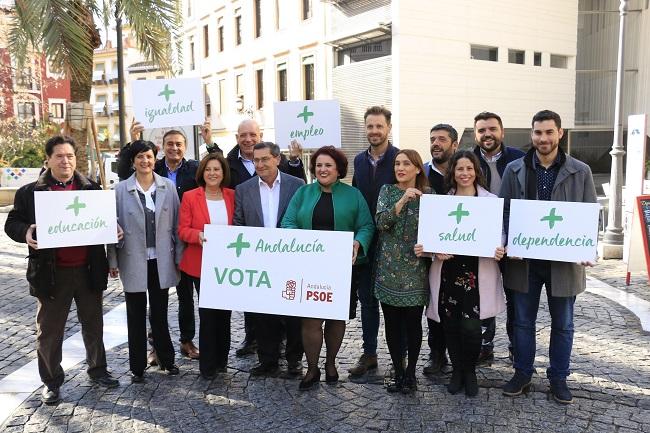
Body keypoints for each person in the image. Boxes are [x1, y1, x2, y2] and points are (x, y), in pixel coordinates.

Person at [5, 135, 119, 405]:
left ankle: (98, 370)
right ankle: (51, 381)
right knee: (49, 331)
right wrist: (26, 231)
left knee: (93, 324)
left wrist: (112, 228)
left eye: (69, 156)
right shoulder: (30, 192)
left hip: (88, 269)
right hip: (51, 273)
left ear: (75, 160)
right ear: (48, 160)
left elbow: (104, 221)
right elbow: (12, 223)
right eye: (59, 156)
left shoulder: (91, 189)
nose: (65, 161)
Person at [500, 110, 597, 404]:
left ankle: (558, 378)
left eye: (549, 132)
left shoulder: (581, 171)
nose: (543, 138)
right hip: (524, 261)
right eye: (538, 133)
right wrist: (507, 242)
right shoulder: (515, 169)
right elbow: (504, 212)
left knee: (564, 323)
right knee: (523, 322)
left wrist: (586, 247)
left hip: (564, 262)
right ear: (531, 135)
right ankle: (523, 373)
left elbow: (588, 215)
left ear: (560, 133)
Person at [118, 120, 220, 362]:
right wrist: (132, 140)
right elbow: (126, 169)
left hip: (185, 242)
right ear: (162, 148)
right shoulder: (155, 168)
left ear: (185, 147)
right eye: (170, 144)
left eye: (179, 144)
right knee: (156, 303)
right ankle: (155, 347)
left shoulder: (195, 169)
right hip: (153, 247)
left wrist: (210, 142)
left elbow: (218, 170)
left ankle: (186, 340)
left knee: (186, 298)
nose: (174, 148)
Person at [282, 146, 374, 390]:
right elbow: (288, 222)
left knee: (335, 318)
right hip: (308, 266)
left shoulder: (353, 195)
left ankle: (331, 363)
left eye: (328, 165)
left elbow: (366, 226)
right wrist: (302, 240)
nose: (322, 169)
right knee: (311, 320)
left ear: (338, 170)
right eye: (319, 165)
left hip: (342, 268)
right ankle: (312, 368)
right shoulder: (303, 192)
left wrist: (358, 242)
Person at [417, 150, 506, 397]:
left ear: (475, 171)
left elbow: (499, 232)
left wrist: (499, 246)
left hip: (477, 273)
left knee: (471, 327)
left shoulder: (489, 201)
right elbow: (431, 239)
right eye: (459, 169)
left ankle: (470, 371)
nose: (464, 173)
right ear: (452, 173)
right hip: (449, 272)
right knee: (451, 326)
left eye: (468, 168)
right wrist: (434, 251)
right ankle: (457, 371)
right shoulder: (444, 202)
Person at [226, 119, 306, 357]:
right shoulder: (244, 189)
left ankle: (294, 360)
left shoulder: (297, 185)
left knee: (292, 312)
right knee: (262, 314)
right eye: (256, 160)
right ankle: (267, 359)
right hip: (258, 259)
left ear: (277, 159)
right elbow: (238, 224)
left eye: (265, 160)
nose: (260, 164)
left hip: (289, 258)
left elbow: (303, 220)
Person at [108, 140, 184, 383]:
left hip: (161, 260)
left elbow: (176, 225)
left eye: (149, 157)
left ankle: (167, 359)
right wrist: (112, 261)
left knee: (160, 313)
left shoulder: (168, 187)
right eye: (140, 157)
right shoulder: (120, 190)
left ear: (155, 159)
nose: (145, 161)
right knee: (135, 314)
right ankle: (137, 366)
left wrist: (179, 257)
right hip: (133, 259)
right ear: (133, 161)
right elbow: (111, 228)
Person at [374, 150, 431, 394]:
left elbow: (438, 232)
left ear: (418, 168)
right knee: (392, 324)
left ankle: (411, 373)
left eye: (406, 164)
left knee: (413, 324)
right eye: (397, 163)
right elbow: (381, 223)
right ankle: (398, 371)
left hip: (415, 271)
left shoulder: (430, 196)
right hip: (388, 269)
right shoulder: (387, 191)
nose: (401, 168)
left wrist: (429, 248)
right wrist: (402, 201)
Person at [349, 105, 399, 377]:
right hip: (366, 241)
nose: (374, 131)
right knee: (367, 301)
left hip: (393, 242)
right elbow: (357, 197)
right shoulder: (358, 160)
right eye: (370, 126)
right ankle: (369, 354)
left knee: (394, 303)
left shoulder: (399, 158)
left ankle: (399, 357)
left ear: (388, 128)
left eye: (379, 126)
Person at [472, 111, 525, 365]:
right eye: (481, 130)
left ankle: (517, 347)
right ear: (475, 135)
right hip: (481, 241)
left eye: (492, 129)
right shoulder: (469, 160)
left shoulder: (520, 159)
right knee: (484, 292)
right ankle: (485, 344)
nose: (487, 134)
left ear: (502, 132)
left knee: (516, 296)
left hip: (514, 239)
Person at [178, 153, 235, 380]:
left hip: (229, 265)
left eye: (217, 169)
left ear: (223, 173)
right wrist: (198, 235)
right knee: (209, 314)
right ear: (202, 172)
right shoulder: (191, 197)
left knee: (225, 314)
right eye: (209, 169)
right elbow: (182, 230)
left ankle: (222, 360)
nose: (213, 173)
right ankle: (208, 365)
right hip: (201, 264)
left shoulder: (232, 196)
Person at [421, 123, 459, 375]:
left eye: (442, 139)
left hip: (464, 250)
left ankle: (461, 356)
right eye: (433, 139)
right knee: (434, 305)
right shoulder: (422, 174)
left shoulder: (464, 171)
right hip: (432, 254)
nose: (436, 143)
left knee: (461, 307)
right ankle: (437, 355)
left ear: (454, 145)